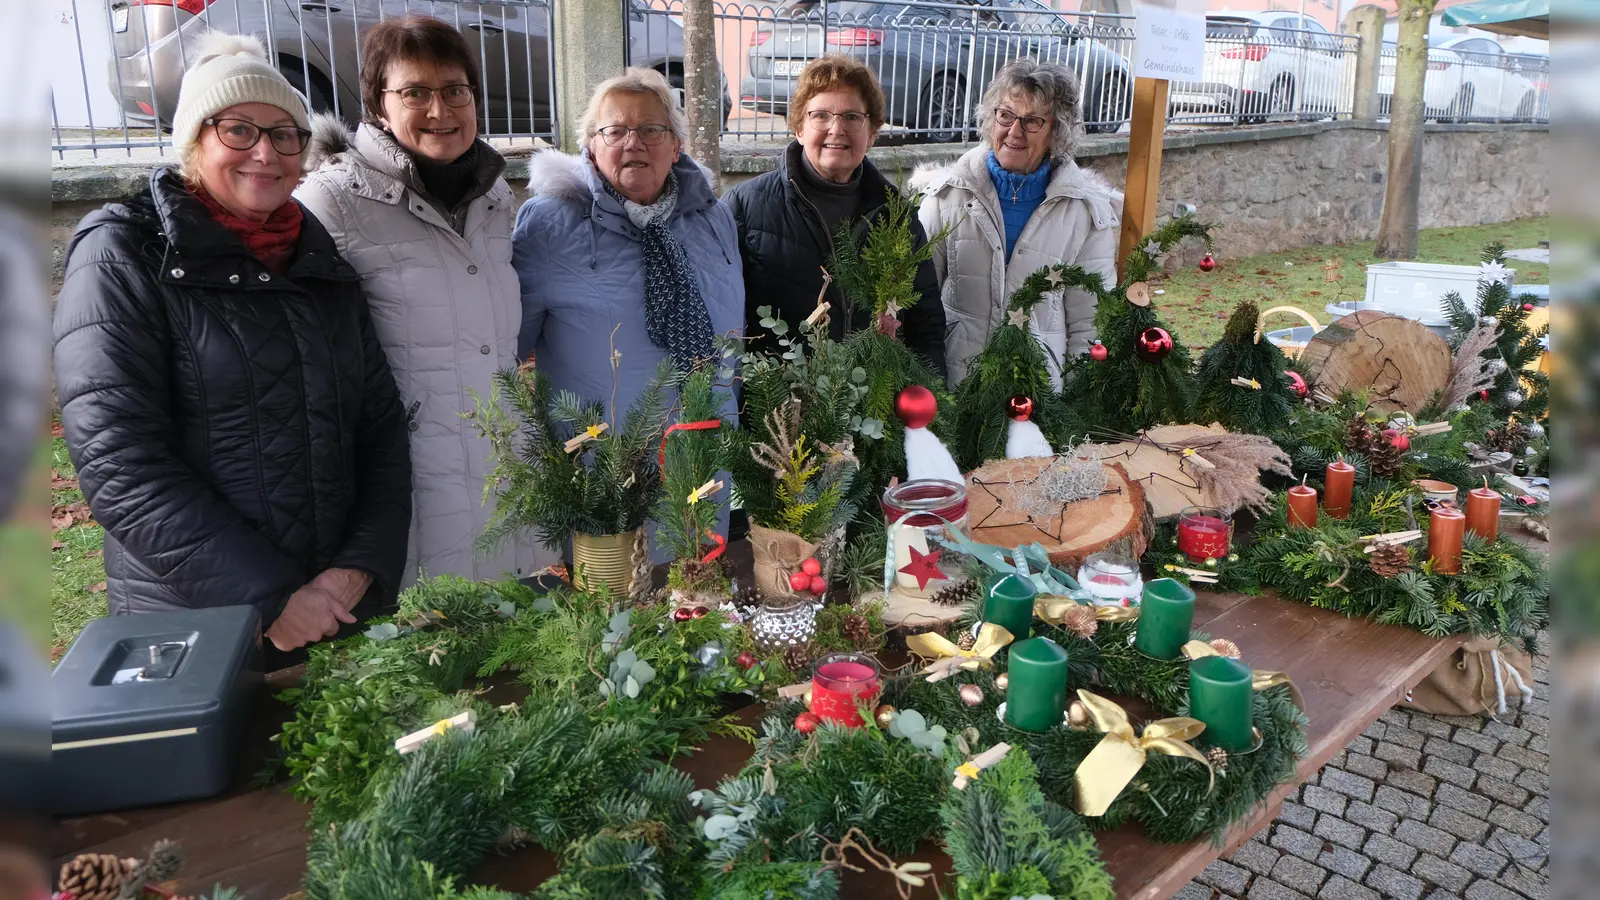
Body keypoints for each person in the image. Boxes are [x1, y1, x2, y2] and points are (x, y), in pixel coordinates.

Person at [53, 33, 411, 654]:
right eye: (238, 130)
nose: (266, 153)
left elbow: (379, 428)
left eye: (285, 134)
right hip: (199, 620)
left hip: (334, 610)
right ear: (194, 141)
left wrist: (358, 568)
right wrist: (271, 600)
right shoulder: (125, 253)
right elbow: (120, 461)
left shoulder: (318, 260)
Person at [297, 15, 547, 585]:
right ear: (378, 105)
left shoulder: (493, 200)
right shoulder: (330, 202)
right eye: (415, 92)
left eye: (456, 91)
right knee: (430, 644)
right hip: (404, 475)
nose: (441, 110)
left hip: (502, 461)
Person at [513, 67, 743, 416]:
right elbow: (503, 351)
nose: (633, 143)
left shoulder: (714, 217)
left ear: (676, 146)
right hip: (603, 461)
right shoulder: (547, 224)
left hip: (712, 455)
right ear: (590, 145)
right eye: (614, 131)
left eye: (651, 130)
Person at [725, 55, 946, 375]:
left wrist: (925, 412)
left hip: (874, 411)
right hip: (776, 414)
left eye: (852, 116)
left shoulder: (897, 216)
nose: (837, 128)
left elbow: (925, 325)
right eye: (821, 115)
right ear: (799, 127)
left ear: (872, 133)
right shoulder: (745, 208)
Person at [911, 57, 1120, 387]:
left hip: (1038, 393)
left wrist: (1078, 403)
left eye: (1032, 121)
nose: (1014, 131)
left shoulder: (1085, 214)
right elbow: (917, 304)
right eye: (1005, 115)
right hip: (956, 384)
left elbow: (1091, 323)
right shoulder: (945, 197)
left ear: (1056, 131)